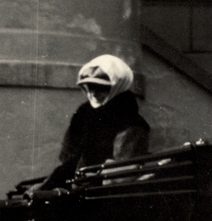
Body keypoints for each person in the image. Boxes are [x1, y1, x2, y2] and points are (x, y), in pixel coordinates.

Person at [35, 54, 150, 194]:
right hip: (76, 186)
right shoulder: (83, 115)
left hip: (104, 192)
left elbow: (122, 171)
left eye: (101, 88)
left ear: (116, 86)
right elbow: (68, 159)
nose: (94, 93)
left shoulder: (130, 122)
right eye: (90, 87)